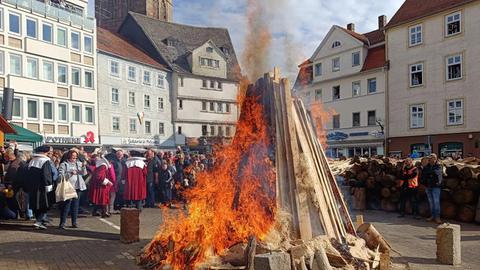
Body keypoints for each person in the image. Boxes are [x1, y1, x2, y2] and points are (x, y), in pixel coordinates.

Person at [25, 145, 54, 230]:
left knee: (35, 205)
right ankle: (38, 221)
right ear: (46, 152)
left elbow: (28, 175)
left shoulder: (32, 160)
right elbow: (47, 175)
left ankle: (39, 221)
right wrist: (49, 185)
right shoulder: (45, 161)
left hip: (33, 187)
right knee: (44, 205)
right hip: (42, 187)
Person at [57, 150, 87, 229]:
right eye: (73, 156)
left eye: (75, 156)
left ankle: (74, 222)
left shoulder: (79, 163)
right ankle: (62, 223)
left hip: (78, 187)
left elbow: (84, 173)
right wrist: (70, 173)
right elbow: (60, 176)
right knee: (66, 206)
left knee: (75, 206)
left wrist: (83, 167)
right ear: (69, 156)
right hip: (68, 187)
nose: (74, 158)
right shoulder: (64, 164)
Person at [90, 152, 114, 218]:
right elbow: (99, 176)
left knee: (99, 199)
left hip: (99, 184)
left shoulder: (101, 166)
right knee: (103, 198)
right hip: (101, 185)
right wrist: (107, 182)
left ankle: (95, 211)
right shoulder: (103, 166)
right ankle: (104, 212)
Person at [423, 154, 443, 224]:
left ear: (435, 159)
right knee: (431, 202)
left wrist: (429, 173)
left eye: (432, 158)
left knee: (436, 202)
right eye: (430, 158)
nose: (431, 159)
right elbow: (424, 174)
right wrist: (425, 181)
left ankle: (437, 217)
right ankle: (432, 216)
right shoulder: (426, 167)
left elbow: (436, 173)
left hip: (436, 186)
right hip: (428, 186)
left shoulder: (439, 166)